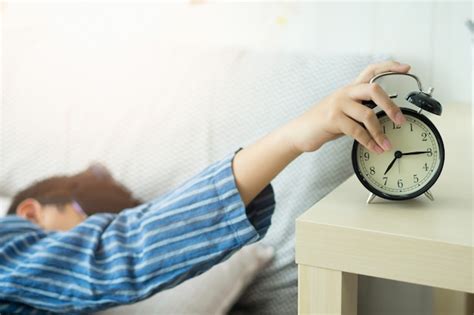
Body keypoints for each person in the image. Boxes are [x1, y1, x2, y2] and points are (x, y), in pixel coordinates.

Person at [0, 61, 410, 314]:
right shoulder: (10, 245)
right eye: (89, 225)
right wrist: (292, 137)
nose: (95, 237)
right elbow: (117, 254)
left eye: (103, 227)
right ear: (31, 214)